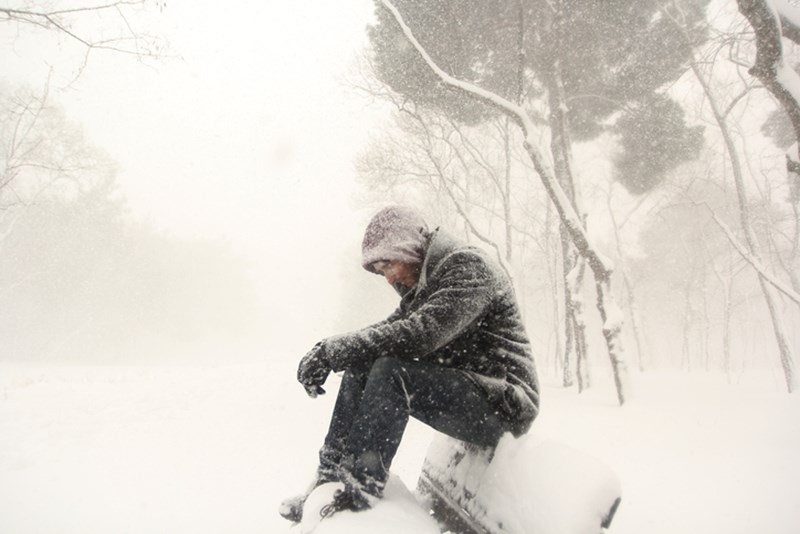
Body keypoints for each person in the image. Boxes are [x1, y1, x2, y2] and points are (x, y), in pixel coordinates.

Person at [280, 206, 539, 521]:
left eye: (388, 264)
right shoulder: (427, 285)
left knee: (391, 372)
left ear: (410, 247)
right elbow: (387, 330)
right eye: (380, 271)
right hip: (474, 391)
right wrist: (329, 349)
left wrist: (335, 351)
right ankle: (329, 477)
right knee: (364, 363)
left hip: (507, 403)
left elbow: (421, 333)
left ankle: (360, 492)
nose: (388, 277)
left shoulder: (470, 267)